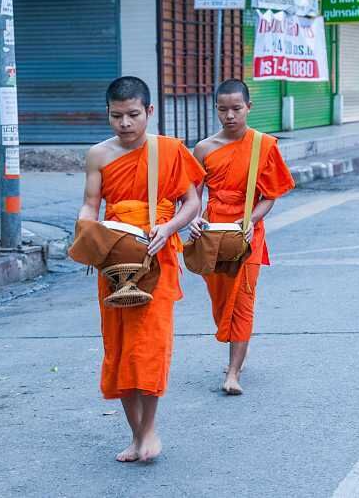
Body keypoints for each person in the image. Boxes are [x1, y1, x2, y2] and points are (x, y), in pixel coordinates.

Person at [77, 76, 204, 462]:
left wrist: (169, 228)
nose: (126, 124)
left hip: (157, 259)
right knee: (118, 349)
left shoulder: (168, 150)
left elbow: (191, 202)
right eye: (117, 116)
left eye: (133, 115)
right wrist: (86, 233)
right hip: (114, 260)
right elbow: (89, 204)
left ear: (149, 111)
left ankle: (149, 430)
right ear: (107, 114)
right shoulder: (98, 155)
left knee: (148, 347)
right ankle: (136, 435)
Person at [190, 79, 295, 395]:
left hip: (246, 232)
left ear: (249, 107)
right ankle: (237, 348)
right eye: (223, 109)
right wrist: (194, 219)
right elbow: (192, 195)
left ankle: (233, 372)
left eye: (236, 108)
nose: (230, 116)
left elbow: (270, 195)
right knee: (222, 300)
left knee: (242, 300)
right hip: (212, 232)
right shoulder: (204, 149)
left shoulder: (263, 145)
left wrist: (251, 220)